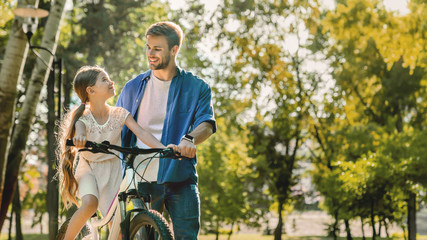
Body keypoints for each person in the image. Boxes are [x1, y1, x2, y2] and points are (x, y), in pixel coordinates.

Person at [116, 21, 216, 239]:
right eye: (148, 47)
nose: (150, 53)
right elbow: (116, 125)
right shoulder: (133, 87)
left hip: (180, 176)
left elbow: (206, 123)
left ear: (174, 50)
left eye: (157, 49)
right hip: (141, 178)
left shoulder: (197, 87)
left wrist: (189, 139)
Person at [57, 66, 175, 240]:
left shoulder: (119, 114)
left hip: (112, 169)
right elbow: (80, 130)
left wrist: (163, 148)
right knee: (90, 204)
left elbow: (141, 132)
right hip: (89, 167)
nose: (110, 81)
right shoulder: (83, 118)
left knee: (116, 226)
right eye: (104, 80)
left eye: (109, 78)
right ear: (91, 90)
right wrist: (80, 138)